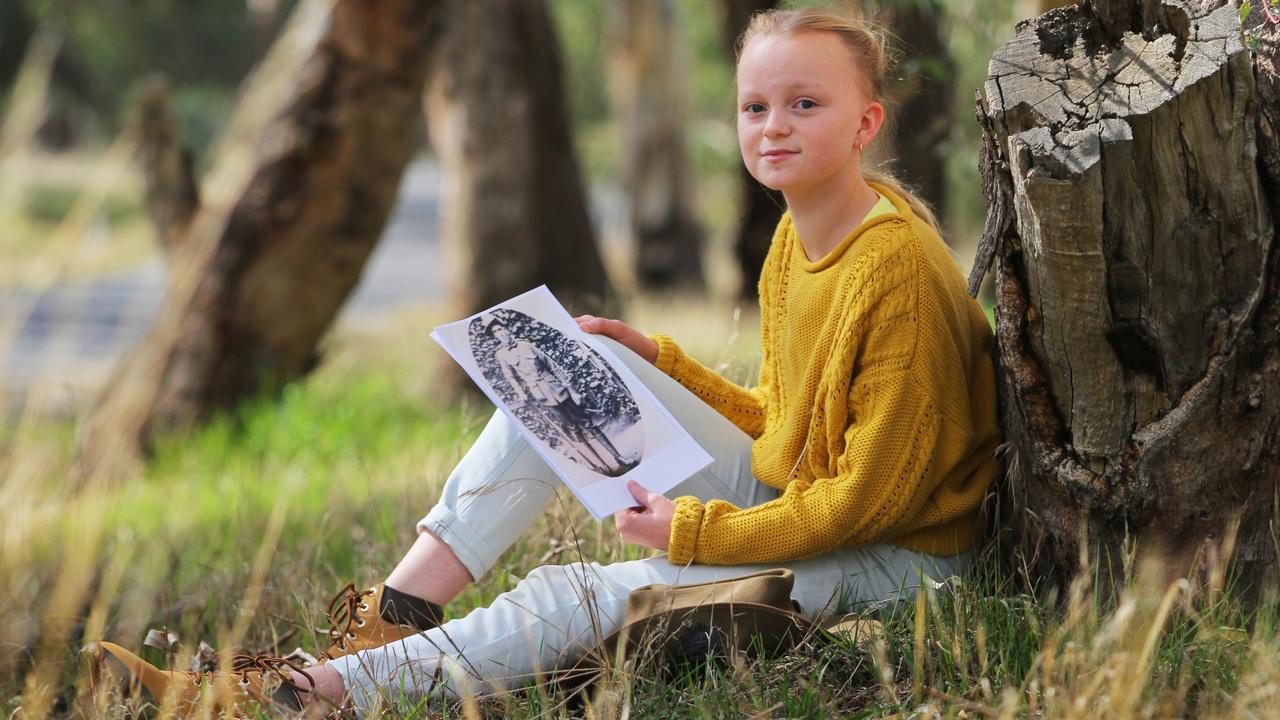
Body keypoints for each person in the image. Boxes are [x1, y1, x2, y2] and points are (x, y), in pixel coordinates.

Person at [94, 7, 1002, 715]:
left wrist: (692, 535)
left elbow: (863, 500)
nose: (774, 126)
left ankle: (309, 696)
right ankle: (392, 620)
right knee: (559, 375)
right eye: (754, 106)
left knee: (581, 589)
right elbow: (787, 420)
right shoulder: (797, 237)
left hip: (897, 559)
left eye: (807, 104)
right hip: (813, 506)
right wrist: (661, 363)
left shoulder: (894, 269)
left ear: (865, 122)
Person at [482, 315, 634, 476]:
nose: (501, 333)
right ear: (496, 338)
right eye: (496, 332)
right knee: (574, 432)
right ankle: (601, 467)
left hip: (560, 391)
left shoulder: (526, 345)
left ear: (507, 329)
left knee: (589, 424)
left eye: (501, 329)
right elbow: (511, 377)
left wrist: (572, 390)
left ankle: (619, 458)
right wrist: (521, 393)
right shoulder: (502, 355)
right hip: (542, 399)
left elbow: (552, 366)